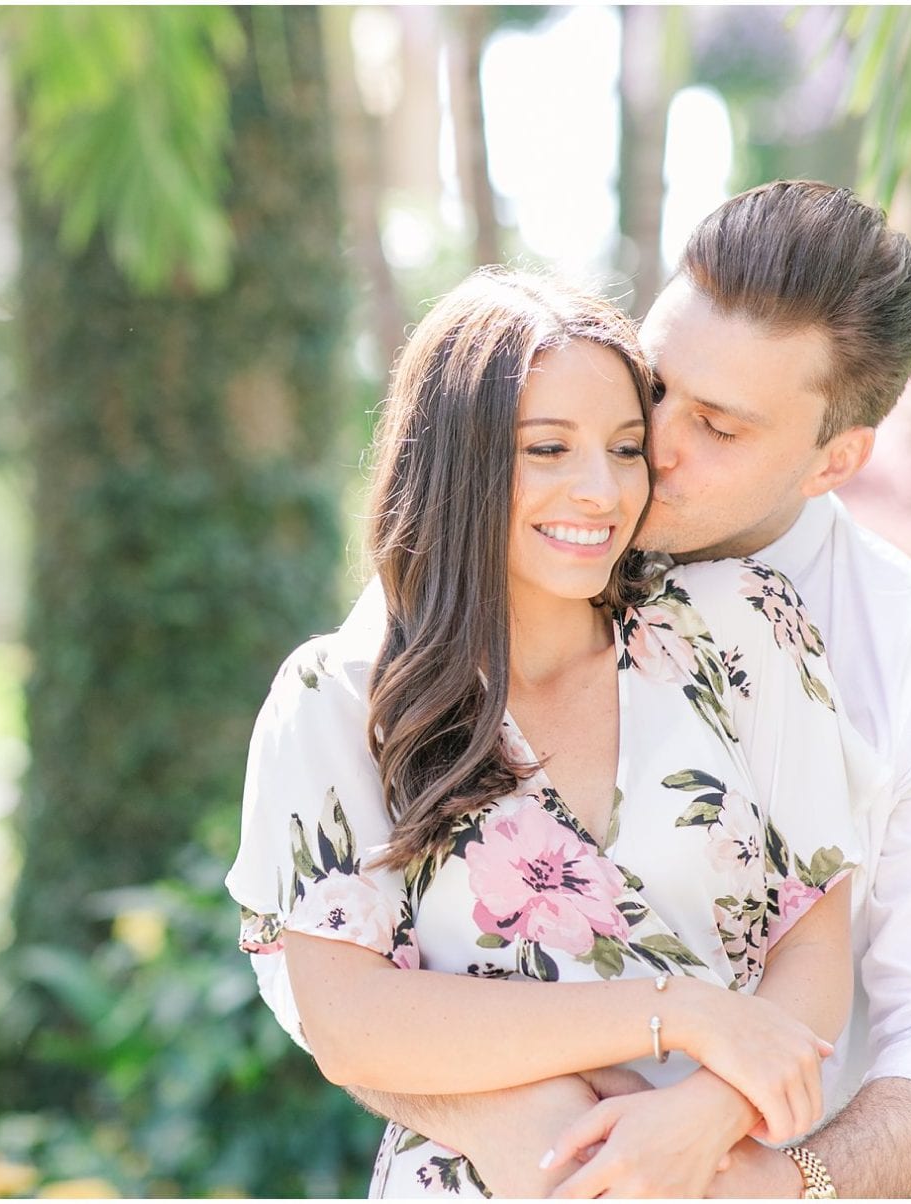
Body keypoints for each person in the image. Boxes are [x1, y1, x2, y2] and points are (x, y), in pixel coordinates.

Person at [253, 181, 911, 1198]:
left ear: (835, 461)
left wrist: (762, 1174)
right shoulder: (426, 620)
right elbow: (327, 954)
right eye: (656, 384)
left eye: (718, 427)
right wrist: (518, 1118)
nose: (647, 447)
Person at [226, 266, 866, 1198]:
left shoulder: (741, 629)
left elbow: (814, 935)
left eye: (623, 448)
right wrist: (677, 1014)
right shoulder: (342, 699)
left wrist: (704, 1117)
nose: (599, 492)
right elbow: (350, 1022)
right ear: (458, 460)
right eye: (547, 448)